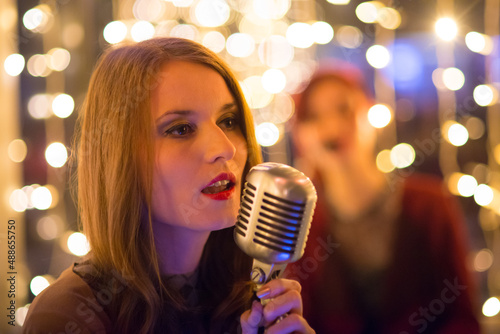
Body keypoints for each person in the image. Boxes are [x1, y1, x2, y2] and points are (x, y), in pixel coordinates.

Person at [22, 37, 314, 334]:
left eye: (227, 121)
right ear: (120, 157)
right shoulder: (67, 315)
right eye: (181, 129)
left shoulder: (250, 299)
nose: (224, 148)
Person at [285, 63, 480, 333]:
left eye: (344, 109)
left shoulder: (431, 204)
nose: (332, 126)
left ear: (369, 113)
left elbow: (463, 318)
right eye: (315, 116)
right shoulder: (299, 224)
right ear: (300, 135)